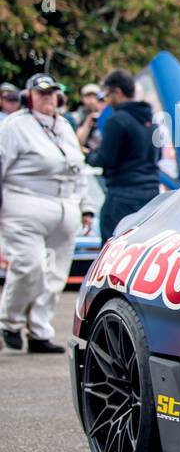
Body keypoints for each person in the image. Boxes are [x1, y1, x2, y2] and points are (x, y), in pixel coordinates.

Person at [0, 73, 95, 353]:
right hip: (25, 202)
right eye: (42, 94)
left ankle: (40, 330)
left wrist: (86, 206)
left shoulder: (64, 125)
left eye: (52, 94)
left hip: (64, 204)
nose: (48, 99)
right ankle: (11, 320)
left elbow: (78, 169)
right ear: (29, 97)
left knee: (55, 274)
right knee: (28, 266)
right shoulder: (14, 126)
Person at [88, 69, 161, 239]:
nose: (106, 100)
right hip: (151, 196)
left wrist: (89, 156)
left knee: (113, 250)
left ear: (117, 92)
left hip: (122, 197)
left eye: (106, 95)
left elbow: (104, 159)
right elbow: (157, 157)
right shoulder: (151, 121)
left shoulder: (118, 120)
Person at [74, 83, 105, 156]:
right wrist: (87, 124)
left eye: (94, 96)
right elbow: (77, 143)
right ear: (82, 98)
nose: (92, 100)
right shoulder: (76, 116)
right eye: (88, 96)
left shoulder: (106, 114)